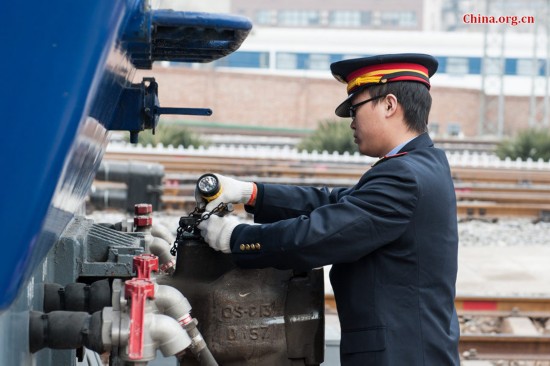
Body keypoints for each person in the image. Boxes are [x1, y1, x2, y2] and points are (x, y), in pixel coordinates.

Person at [196, 53, 460, 366]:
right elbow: (335, 203)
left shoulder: (403, 176)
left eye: (355, 108)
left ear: (389, 105)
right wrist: (252, 194)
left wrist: (236, 237)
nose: (351, 121)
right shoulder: (421, 165)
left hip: (401, 356)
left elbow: (320, 235)